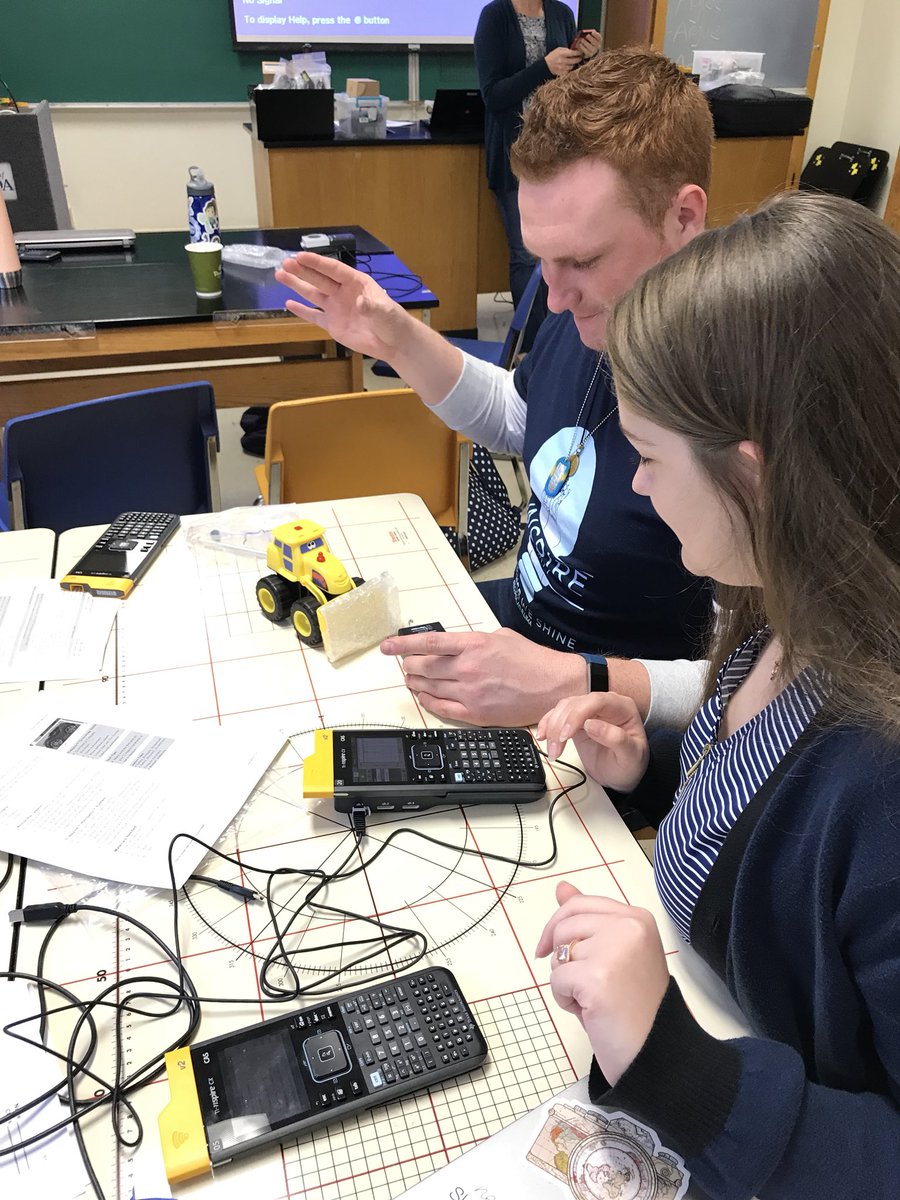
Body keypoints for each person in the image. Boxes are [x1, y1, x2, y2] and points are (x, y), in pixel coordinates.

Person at [535, 192, 900, 1199]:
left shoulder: (881, 775)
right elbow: (769, 812)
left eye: (649, 457)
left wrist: (675, 1067)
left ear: (755, 475)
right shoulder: (783, 605)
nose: (638, 487)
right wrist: (656, 770)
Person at [275, 50, 714, 731]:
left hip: (612, 724)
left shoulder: (740, 391)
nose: (556, 297)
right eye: (542, 260)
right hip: (524, 631)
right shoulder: (592, 311)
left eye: (583, 260)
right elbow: (521, 416)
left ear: (683, 217)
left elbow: (764, 685)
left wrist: (579, 678)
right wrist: (396, 338)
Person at [473, 0, 601, 338]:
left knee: (563, 251)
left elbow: (573, 87)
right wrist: (543, 67)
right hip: (514, 154)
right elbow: (493, 95)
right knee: (525, 253)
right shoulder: (495, 16)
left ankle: (557, 337)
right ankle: (530, 344)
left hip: (559, 153)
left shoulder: (561, 14)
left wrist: (587, 58)